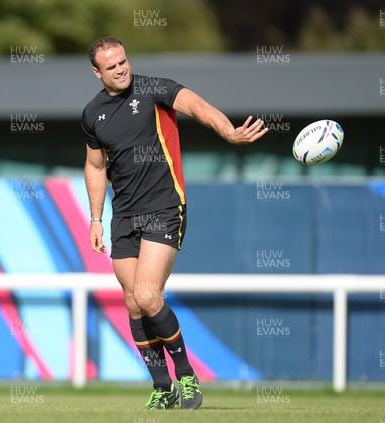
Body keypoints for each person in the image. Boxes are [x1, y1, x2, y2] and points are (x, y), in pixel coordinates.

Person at [82, 37, 268, 410]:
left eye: (123, 60)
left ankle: (186, 377)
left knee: (150, 295)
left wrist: (228, 131)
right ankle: (162, 386)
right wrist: (96, 218)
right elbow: (95, 165)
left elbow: (197, 105)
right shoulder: (93, 113)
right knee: (134, 305)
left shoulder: (153, 88)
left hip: (165, 207)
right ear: (96, 72)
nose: (121, 68)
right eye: (111, 65)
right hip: (124, 215)